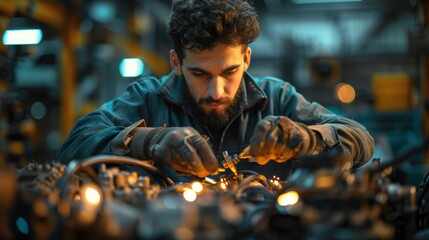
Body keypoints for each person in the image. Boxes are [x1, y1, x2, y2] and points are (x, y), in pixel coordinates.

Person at [58, 0, 374, 182]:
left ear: (246, 59)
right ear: (176, 62)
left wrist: (310, 139)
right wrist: (151, 140)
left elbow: (360, 138)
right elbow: (74, 146)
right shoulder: (147, 100)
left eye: (229, 71)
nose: (216, 90)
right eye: (199, 73)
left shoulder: (278, 99)